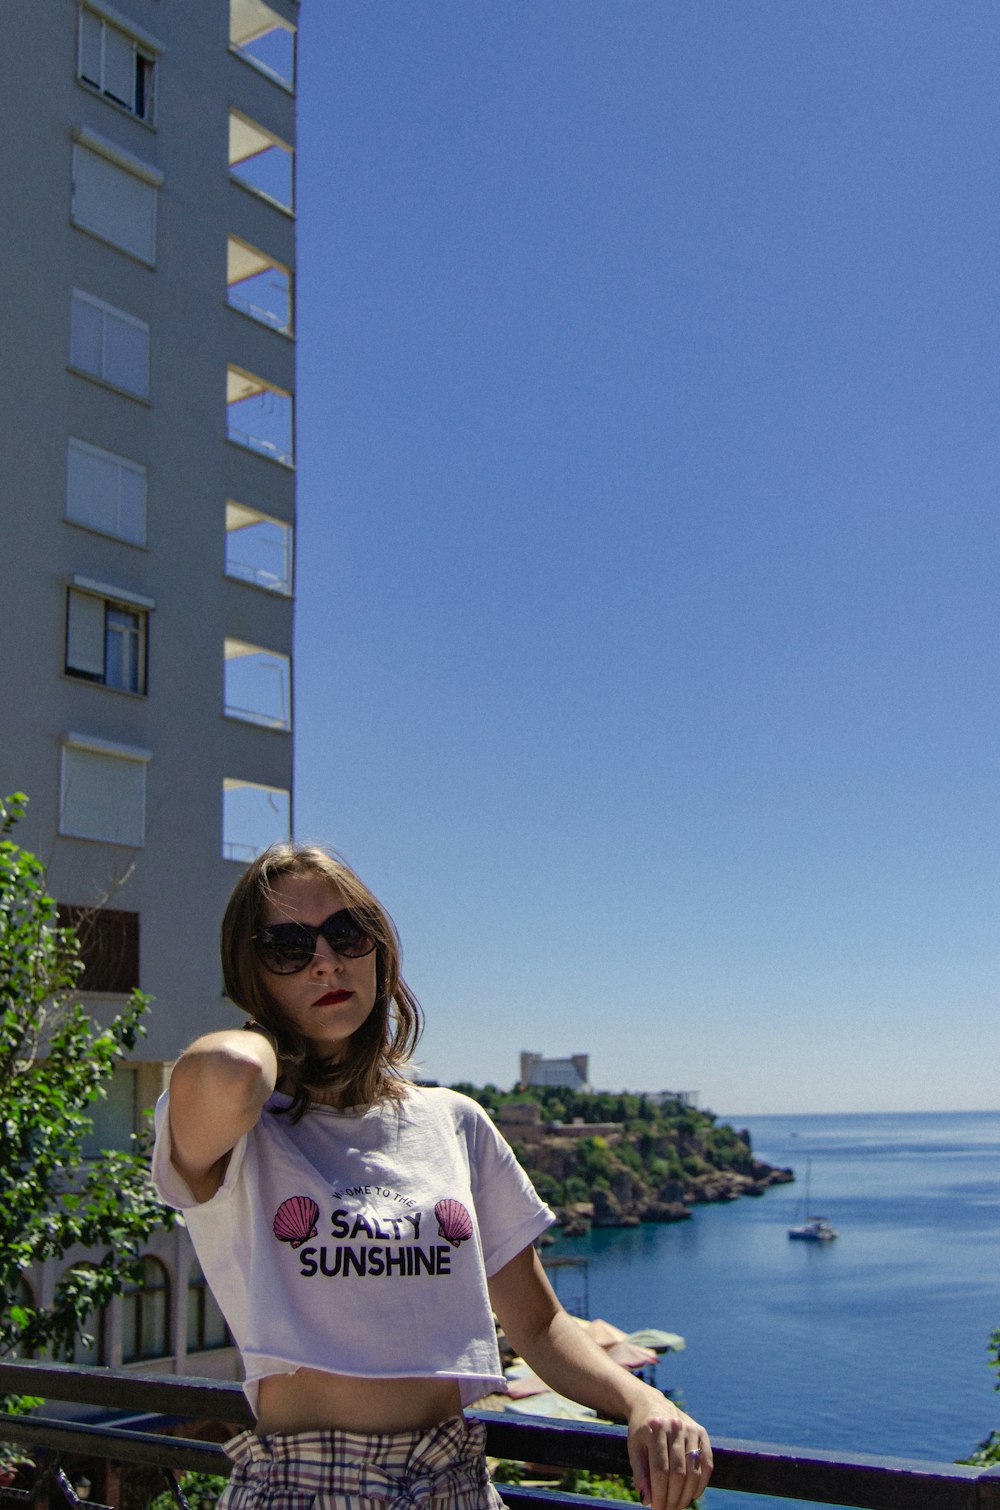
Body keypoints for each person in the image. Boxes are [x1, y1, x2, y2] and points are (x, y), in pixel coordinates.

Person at [152, 844, 712, 1510]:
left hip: (454, 1482)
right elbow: (229, 1070)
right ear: (253, 974)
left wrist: (642, 1400)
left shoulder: (453, 1123)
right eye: (286, 948)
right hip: (304, 1488)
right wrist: (273, 1028)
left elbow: (540, 1326)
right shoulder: (243, 1128)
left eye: (345, 933)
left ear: (379, 946)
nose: (325, 961)